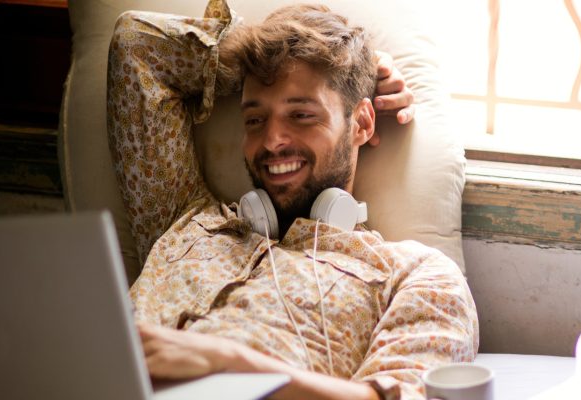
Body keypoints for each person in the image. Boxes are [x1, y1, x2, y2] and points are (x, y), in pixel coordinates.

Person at [106, 1, 478, 399]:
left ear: (363, 122)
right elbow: (137, 44)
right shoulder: (182, 218)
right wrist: (352, 63)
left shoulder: (412, 275)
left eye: (301, 115)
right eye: (255, 119)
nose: (271, 141)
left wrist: (229, 364)